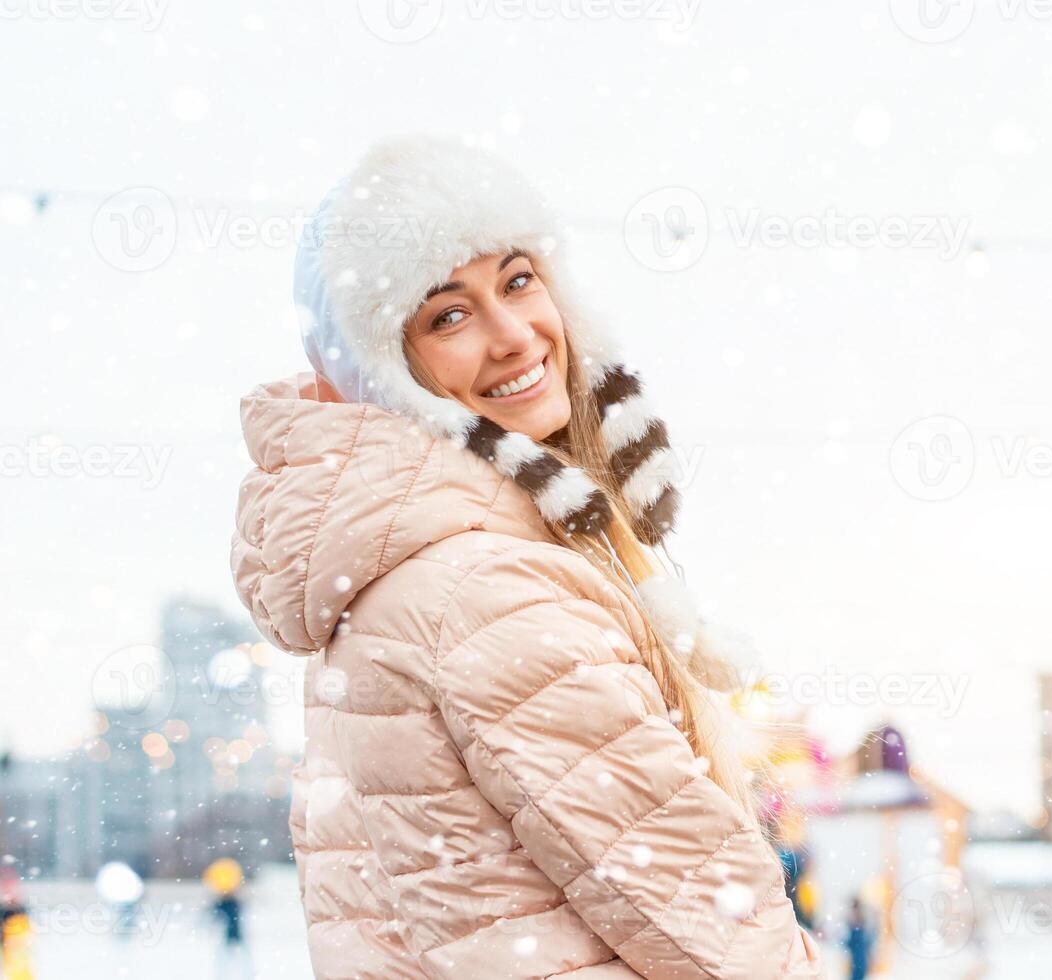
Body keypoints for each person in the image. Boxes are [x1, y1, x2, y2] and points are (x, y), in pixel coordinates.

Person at [230, 134, 823, 977]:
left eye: (517, 280)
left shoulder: (411, 564)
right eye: (448, 314)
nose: (514, 335)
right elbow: (712, 927)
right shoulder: (482, 587)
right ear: (380, 373)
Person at [843, 896, 874, 980]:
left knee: (859, 970)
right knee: (857, 971)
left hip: (859, 954)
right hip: (857, 955)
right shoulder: (853, 924)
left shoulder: (860, 924)